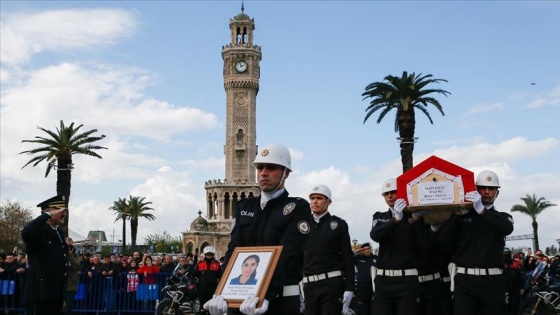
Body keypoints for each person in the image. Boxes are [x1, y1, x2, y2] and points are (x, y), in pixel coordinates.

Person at [204, 143, 313, 315]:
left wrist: (265, 295)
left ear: (286, 173)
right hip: (241, 301)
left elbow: (288, 255)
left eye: (271, 168)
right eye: (260, 167)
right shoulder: (244, 206)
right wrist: (223, 292)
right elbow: (233, 251)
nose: (263, 173)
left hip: (279, 302)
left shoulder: (297, 207)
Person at [438, 170, 514, 315]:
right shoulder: (462, 216)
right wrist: (455, 216)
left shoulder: (502, 217)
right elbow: (443, 239)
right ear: (475, 190)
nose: (486, 192)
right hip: (465, 280)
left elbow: (506, 228)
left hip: (492, 280)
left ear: (497, 193)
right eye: (482, 188)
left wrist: (481, 211)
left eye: (491, 188)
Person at [370, 178, 430, 315]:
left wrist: (417, 222)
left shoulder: (414, 216)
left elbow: (424, 245)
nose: (390, 196)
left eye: (393, 192)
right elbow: (375, 235)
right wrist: (395, 219)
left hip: (407, 281)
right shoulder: (380, 217)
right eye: (386, 194)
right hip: (383, 281)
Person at [302, 184, 355, 315]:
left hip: (331, 284)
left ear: (328, 201)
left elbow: (347, 258)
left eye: (319, 198)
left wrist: (349, 287)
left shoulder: (338, 224)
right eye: (312, 198)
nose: (314, 201)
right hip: (309, 285)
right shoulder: (302, 224)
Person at [21, 194, 69, 315]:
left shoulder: (59, 233)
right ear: (47, 212)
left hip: (55, 295)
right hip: (40, 294)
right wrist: (46, 215)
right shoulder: (38, 231)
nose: (63, 214)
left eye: (64, 211)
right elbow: (26, 232)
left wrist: (62, 297)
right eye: (59, 211)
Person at [192, 246, 222, 315]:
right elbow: (193, 274)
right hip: (202, 288)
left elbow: (220, 277)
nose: (209, 256)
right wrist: (191, 283)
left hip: (213, 289)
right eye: (208, 255)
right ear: (205, 255)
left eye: (211, 255)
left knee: (211, 307)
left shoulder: (217, 265)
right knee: (202, 307)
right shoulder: (200, 264)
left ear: (213, 255)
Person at [354, 242, 377, 315]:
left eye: (368, 248)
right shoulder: (358, 258)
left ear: (370, 249)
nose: (367, 250)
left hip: (374, 287)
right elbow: (348, 258)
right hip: (362, 288)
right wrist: (356, 252)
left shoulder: (376, 258)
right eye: (364, 249)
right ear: (362, 250)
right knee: (364, 308)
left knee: (375, 307)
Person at [64, 237, 81, 315]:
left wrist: (69, 255)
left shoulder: (75, 255)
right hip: (60, 284)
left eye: (70, 246)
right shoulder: (60, 253)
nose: (69, 248)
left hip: (71, 285)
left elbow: (77, 266)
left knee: (68, 308)